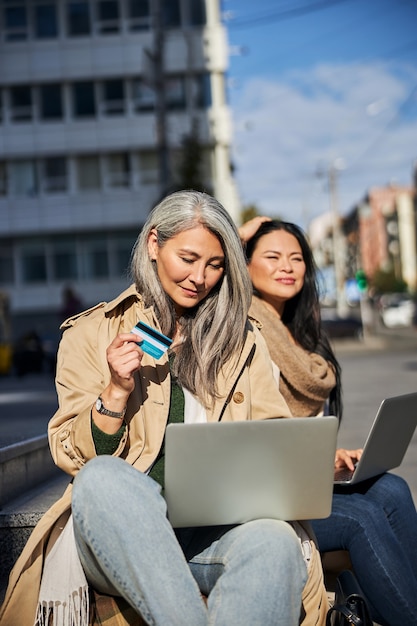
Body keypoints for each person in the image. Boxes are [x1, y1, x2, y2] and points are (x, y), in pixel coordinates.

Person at [0, 191, 329, 626]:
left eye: (215, 265)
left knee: (274, 540)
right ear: (154, 245)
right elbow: (70, 452)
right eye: (188, 258)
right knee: (101, 479)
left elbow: (273, 435)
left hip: (211, 532)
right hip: (122, 534)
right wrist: (116, 389)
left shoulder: (241, 337)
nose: (200, 277)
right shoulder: (91, 333)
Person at [240, 216, 417, 626]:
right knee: (363, 518)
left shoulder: (299, 335)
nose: (287, 266)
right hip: (264, 493)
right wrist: (239, 234)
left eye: (296, 257)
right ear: (243, 264)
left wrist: (328, 459)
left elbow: (301, 437)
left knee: (391, 487)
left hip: (301, 482)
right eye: (271, 256)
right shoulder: (240, 324)